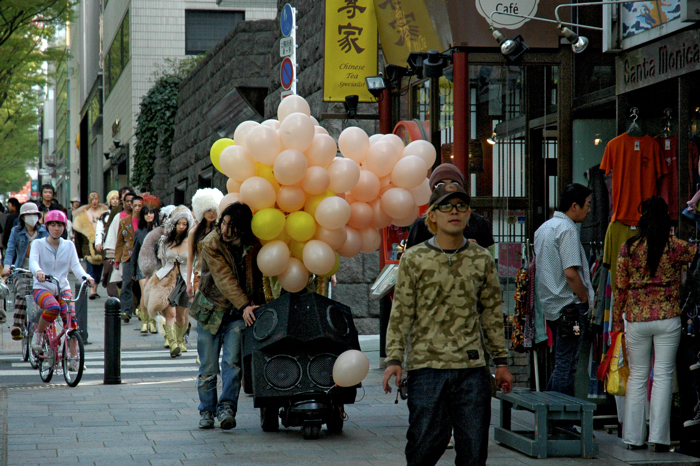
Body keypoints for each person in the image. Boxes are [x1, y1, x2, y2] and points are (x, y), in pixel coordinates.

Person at [382, 183, 513, 465]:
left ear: (468, 216)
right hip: (427, 369)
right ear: (432, 215)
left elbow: (491, 311)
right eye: (446, 206)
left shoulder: (481, 259)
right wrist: (394, 358)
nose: (454, 211)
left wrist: (501, 362)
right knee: (423, 448)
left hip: (472, 370)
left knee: (474, 452)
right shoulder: (415, 259)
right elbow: (401, 311)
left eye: (461, 206)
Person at [612, 197, 697, 451]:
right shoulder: (675, 246)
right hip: (668, 317)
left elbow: (620, 289)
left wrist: (617, 323)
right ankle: (659, 439)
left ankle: (633, 439)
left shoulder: (629, 248)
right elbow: (696, 256)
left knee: (637, 377)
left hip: (637, 319)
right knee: (662, 376)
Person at [190, 202, 266, 430]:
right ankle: (206, 410)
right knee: (208, 367)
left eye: (230, 226)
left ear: (242, 228)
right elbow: (224, 278)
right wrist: (245, 304)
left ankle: (227, 408)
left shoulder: (252, 244)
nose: (224, 229)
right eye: (223, 223)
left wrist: (259, 304)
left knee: (233, 364)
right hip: (211, 311)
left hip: (237, 315)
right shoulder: (210, 243)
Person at [534, 183, 594, 396]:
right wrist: (585, 299)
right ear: (574, 206)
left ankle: (549, 413)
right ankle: (561, 420)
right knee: (567, 364)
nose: (589, 210)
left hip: (552, 308)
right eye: (587, 205)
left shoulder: (544, 228)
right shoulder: (567, 230)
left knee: (563, 361)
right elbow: (570, 273)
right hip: (571, 311)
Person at [29, 210, 94, 352]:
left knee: (71, 319)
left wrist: (86, 277)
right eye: (52, 224)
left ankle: (73, 357)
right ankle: (38, 334)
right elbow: (33, 262)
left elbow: (76, 266)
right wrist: (38, 271)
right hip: (42, 287)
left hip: (63, 288)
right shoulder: (38, 244)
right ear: (47, 226)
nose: (56, 228)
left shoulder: (69, 245)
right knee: (53, 307)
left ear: (65, 227)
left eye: (60, 225)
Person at [142, 206, 193, 357]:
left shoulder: (191, 241)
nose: (181, 227)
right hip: (167, 279)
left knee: (181, 315)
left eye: (184, 224)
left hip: (184, 280)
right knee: (170, 312)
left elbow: (193, 261)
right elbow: (161, 260)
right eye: (179, 223)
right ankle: (173, 344)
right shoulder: (165, 241)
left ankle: (181, 340)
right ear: (174, 224)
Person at [406, 163, 494, 250]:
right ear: (432, 217)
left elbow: (488, 257)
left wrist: (476, 251)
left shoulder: (478, 222)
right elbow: (410, 258)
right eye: (441, 185)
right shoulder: (421, 225)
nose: (448, 188)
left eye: (454, 184)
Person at [2, 202, 48, 340]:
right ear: (22, 217)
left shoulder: (44, 231)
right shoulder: (16, 231)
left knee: (44, 296)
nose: (32, 217)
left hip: (40, 271)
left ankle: (43, 328)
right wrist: (7, 266)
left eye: (34, 214)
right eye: (28, 215)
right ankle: (18, 326)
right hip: (21, 271)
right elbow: (10, 250)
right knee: (22, 292)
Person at [186, 188, 224, 299]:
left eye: (214, 209)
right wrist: (188, 282)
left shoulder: (221, 230)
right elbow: (190, 258)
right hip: (200, 274)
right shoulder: (194, 232)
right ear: (201, 210)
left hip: (219, 274)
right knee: (201, 309)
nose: (211, 213)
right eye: (208, 210)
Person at [72, 192, 109, 299]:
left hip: (101, 243)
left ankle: (95, 288)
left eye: (96, 199)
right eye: (92, 199)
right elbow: (78, 235)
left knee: (99, 267)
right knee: (90, 267)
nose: (94, 201)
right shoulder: (83, 214)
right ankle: (92, 289)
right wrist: (78, 251)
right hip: (87, 244)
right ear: (89, 200)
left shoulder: (104, 213)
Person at [132, 202, 160, 334]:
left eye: (151, 212)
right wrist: (132, 270)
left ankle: (153, 321)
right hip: (142, 265)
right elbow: (135, 251)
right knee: (144, 292)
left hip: (156, 265)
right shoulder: (138, 232)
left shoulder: (159, 230)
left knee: (153, 293)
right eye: (146, 213)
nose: (149, 215)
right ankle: (144, 322)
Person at [114, 194, 142, 322]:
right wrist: (117, 259)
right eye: (134, 205)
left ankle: (142, 309)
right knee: (126, 283)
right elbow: (120, 241)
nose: (136, 208)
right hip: (128, 256)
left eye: (139, 206)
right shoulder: (124, 221)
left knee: (141, 284)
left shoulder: (146, 221)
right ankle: (126, 311)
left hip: (142, 256)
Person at [95, 190, 121, 297]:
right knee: (108, 268)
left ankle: (114, 293)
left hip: (118, 244)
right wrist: (98, 243)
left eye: (117, 199)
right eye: (113, 199)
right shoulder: (105, 215)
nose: (115, 201)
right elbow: (99, 230)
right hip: (108, 244)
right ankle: (107, 284)